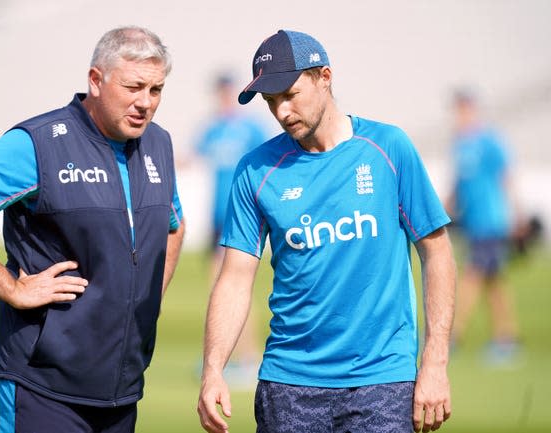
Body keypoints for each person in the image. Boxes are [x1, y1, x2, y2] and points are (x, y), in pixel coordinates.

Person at [0, 26, 185, 433]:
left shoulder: (158, 144)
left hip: (122, 388)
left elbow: (173, 225)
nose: (145, 103)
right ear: (96, 80)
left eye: (156, 90)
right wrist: (10, 287)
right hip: (41, 386)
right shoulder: (40, 143)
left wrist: (146, 300)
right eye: (134, 87)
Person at [197, 30, 455, 433]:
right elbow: (234, 278)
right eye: (271, 101)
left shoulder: (389, 147)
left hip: (382, 381)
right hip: (289, 385)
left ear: (324, 76)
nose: (282, 111)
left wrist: (435, 363)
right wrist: (213, 369)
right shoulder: (256, 170)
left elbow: (437, 252)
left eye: (290, 94)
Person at [194, 72, 269, 388]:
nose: (223, 98)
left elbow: (268, 163)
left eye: (226, 92)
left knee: (234, 285)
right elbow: (194, 156)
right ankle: (224, 357)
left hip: (241, 214)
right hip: (216, 216)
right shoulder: (212, 129)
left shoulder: (250, 128)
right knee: (218, 287)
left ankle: (247, 358)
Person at [447, 89, 520, 364]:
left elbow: (506, 176)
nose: (461, 115)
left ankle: (454, 334)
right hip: (473, 221)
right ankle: (507, 338)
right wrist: (448, 205)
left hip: (490, 220)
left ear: (473, 110)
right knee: (493, 283)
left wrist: (516, 214)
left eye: (464, 109)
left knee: (472, 276)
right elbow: (459, 182)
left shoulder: (489, 141)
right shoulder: (458, 143)